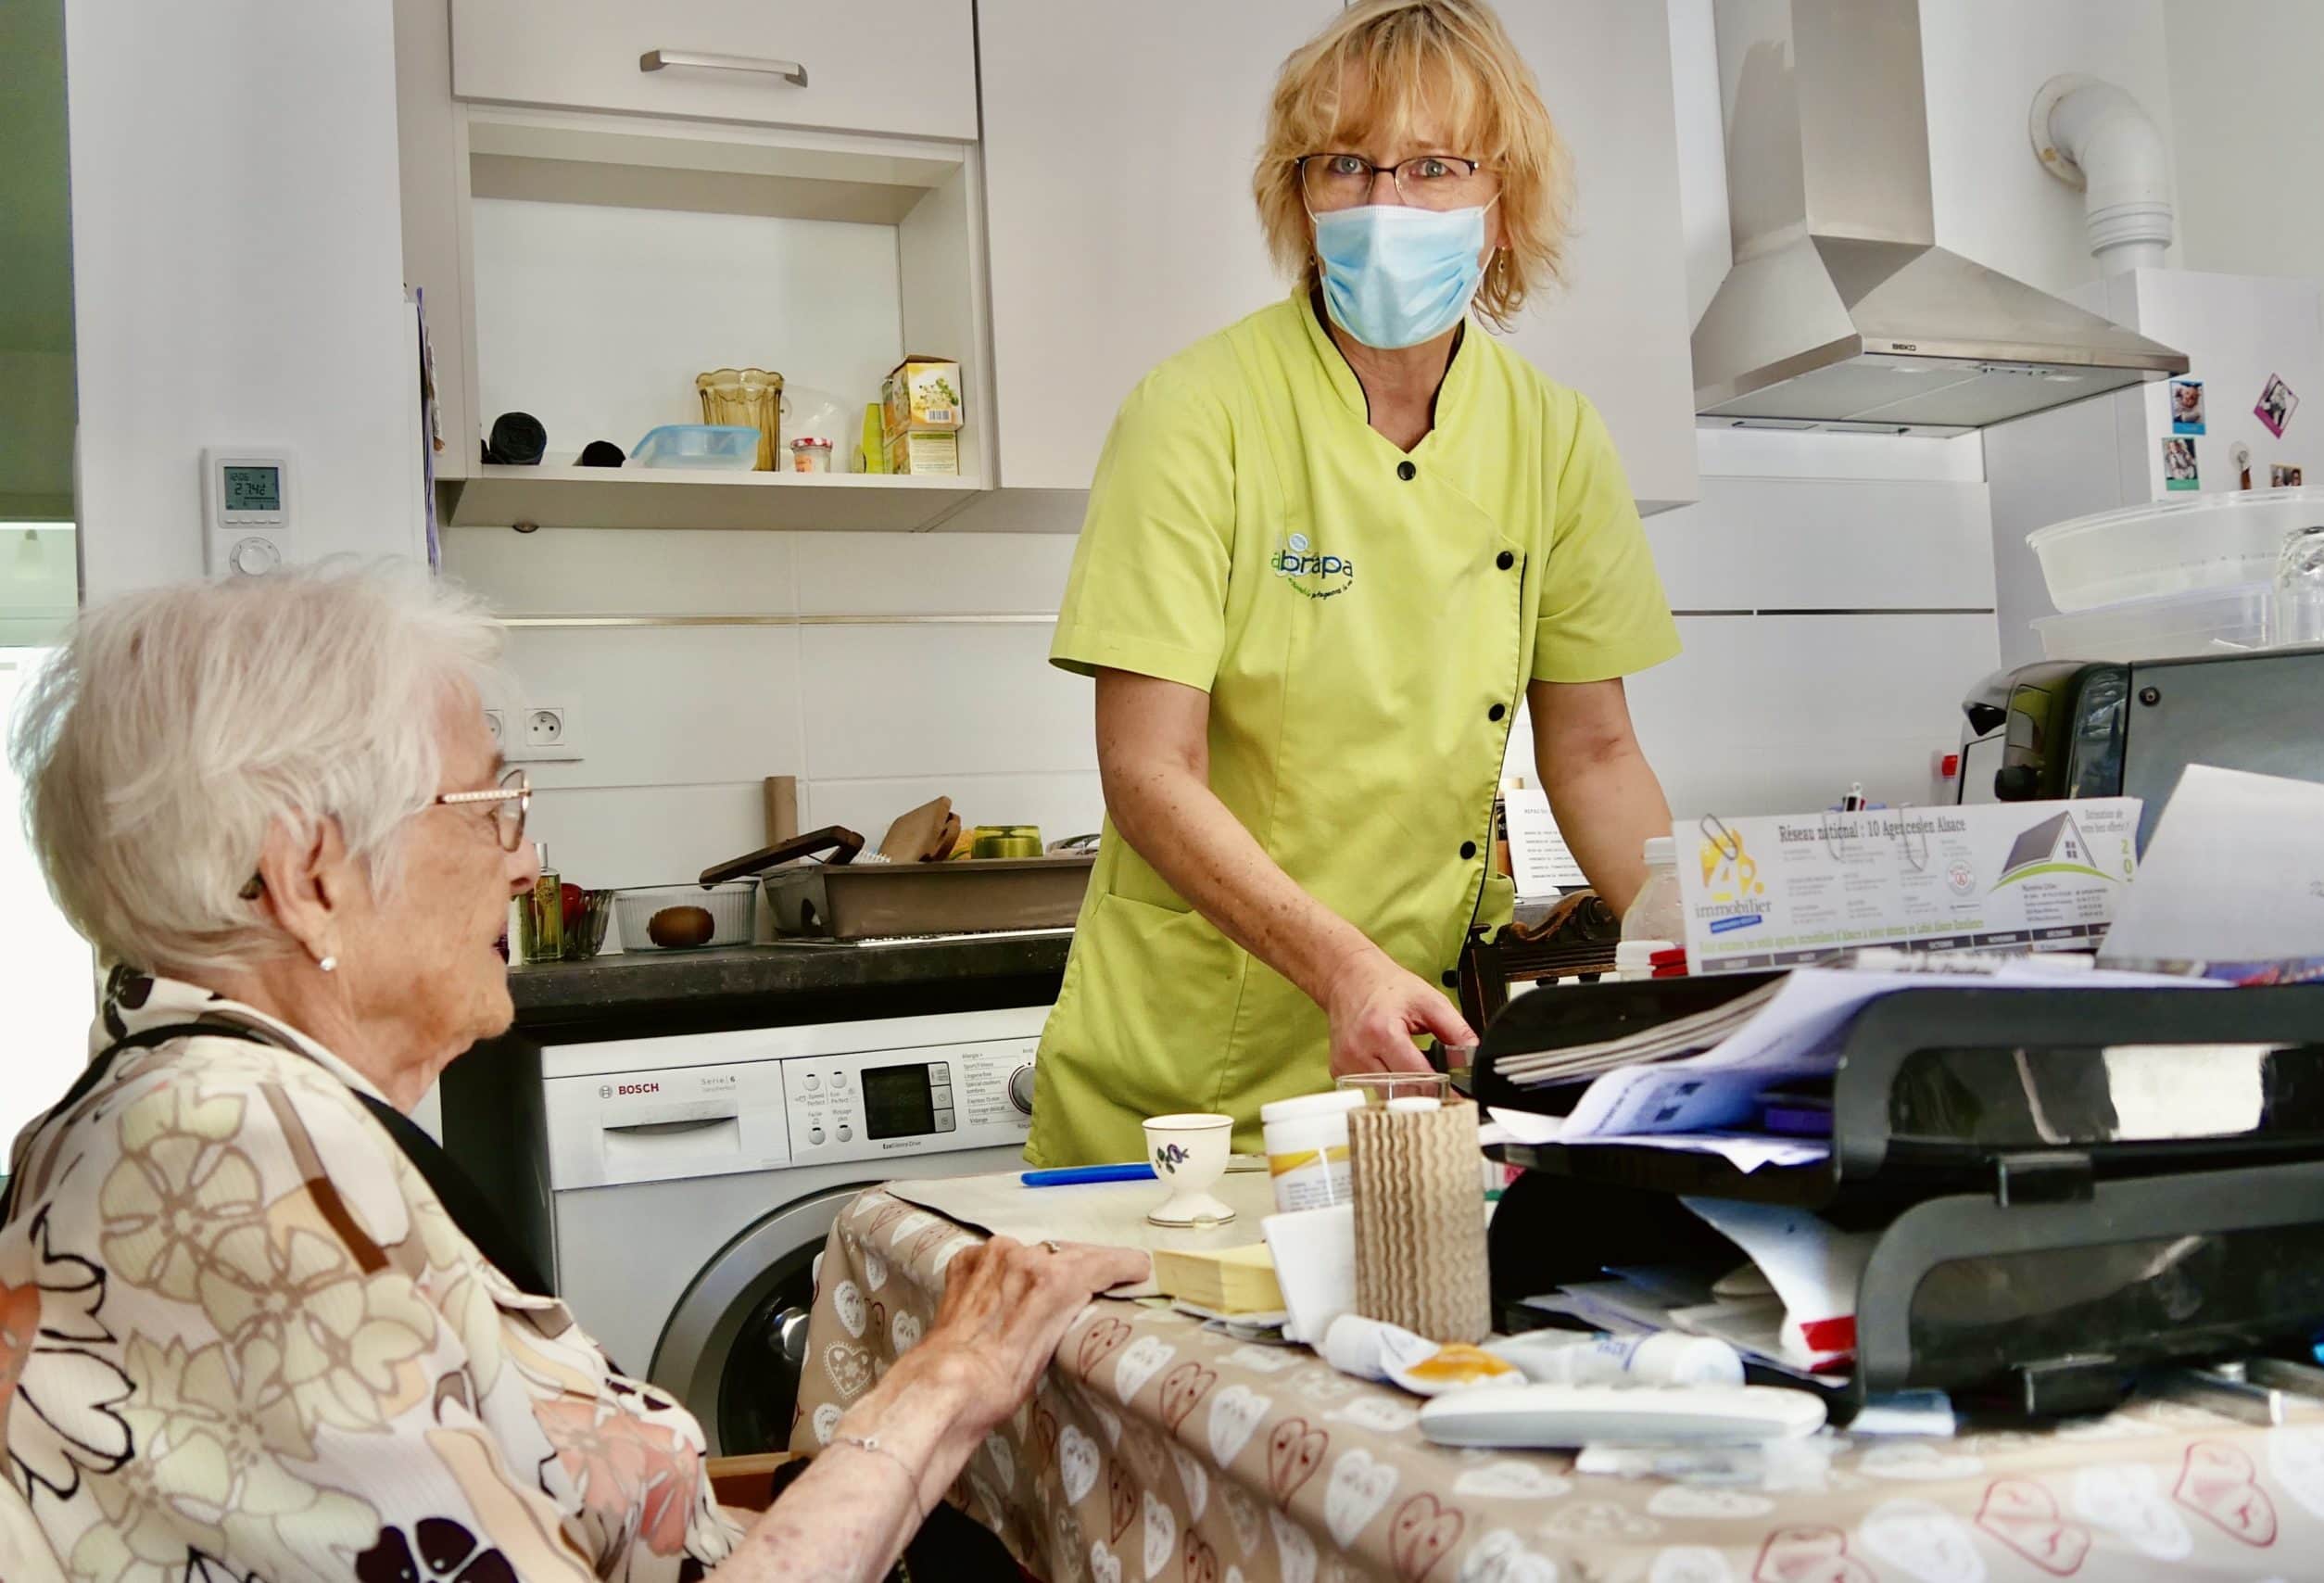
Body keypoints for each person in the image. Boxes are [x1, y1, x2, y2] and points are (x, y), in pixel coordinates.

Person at [1, 564, 1145, 1582]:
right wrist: (945, 1379)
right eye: (494, 807)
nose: (527, 861)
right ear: (309, 876)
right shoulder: (226, 1152)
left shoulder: (232, 1114)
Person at [1026, 0, 1681, 1166]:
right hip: (1184, 1082)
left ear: (1502, 199)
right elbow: (1145, 767)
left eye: (1434, 167)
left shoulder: (1556, 436)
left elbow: (1595, 755)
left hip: (1404, 1063)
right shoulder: (1197, 413)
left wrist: (1711, 964)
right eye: (1346, 165)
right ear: (1300, 194)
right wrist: (1340, 965)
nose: (1387, 205)